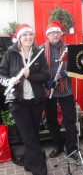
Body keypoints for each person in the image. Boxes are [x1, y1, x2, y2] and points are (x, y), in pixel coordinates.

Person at [0, 24, 49, 174]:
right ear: (19, 38)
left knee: (33, 135)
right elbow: (1, 75)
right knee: (29, 137)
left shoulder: (39, 53)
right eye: (25, 35)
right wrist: (9, 81)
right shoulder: (11, 53)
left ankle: (28, 164)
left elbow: (45, 76)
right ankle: (40, 170)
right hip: (17, 101)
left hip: (35, 101)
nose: (28, 37)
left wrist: (30, 76)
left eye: (30, 34)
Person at [41, 21, 78, 159]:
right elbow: (37, 70)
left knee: (70, 119)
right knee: (51, 120)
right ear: (47, 35)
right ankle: (58, 145)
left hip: (65, 89)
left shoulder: (68, 48)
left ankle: (72, 148)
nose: (55, 35)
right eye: (52, 32)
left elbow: (76, 66)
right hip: (49, 89)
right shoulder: (40, 50)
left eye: (57, 32)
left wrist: (66, 73)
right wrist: (46, 82)